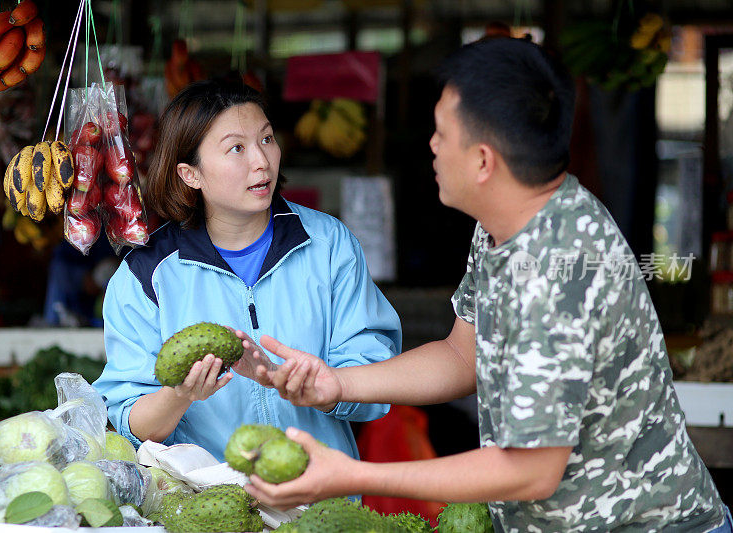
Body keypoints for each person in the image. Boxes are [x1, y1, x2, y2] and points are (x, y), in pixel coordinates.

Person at [237, 38, 732, 532]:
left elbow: (529, 470)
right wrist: (338, 383)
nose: (430, 145)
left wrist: (353, 475)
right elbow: (460, 355)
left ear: (483, 161)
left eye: (442, 133)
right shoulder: (508, 224)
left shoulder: (558, 271)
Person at [92, 79, 401, 465]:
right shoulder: (147, 273)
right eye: (236, 148)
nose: (261, 160)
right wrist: (180, 394)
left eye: (267, 139)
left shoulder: (327, 245)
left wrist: (307, 384)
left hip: (320, 499)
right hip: (207, 505)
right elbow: (126, 420)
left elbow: (377, 380)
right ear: (191, 174)